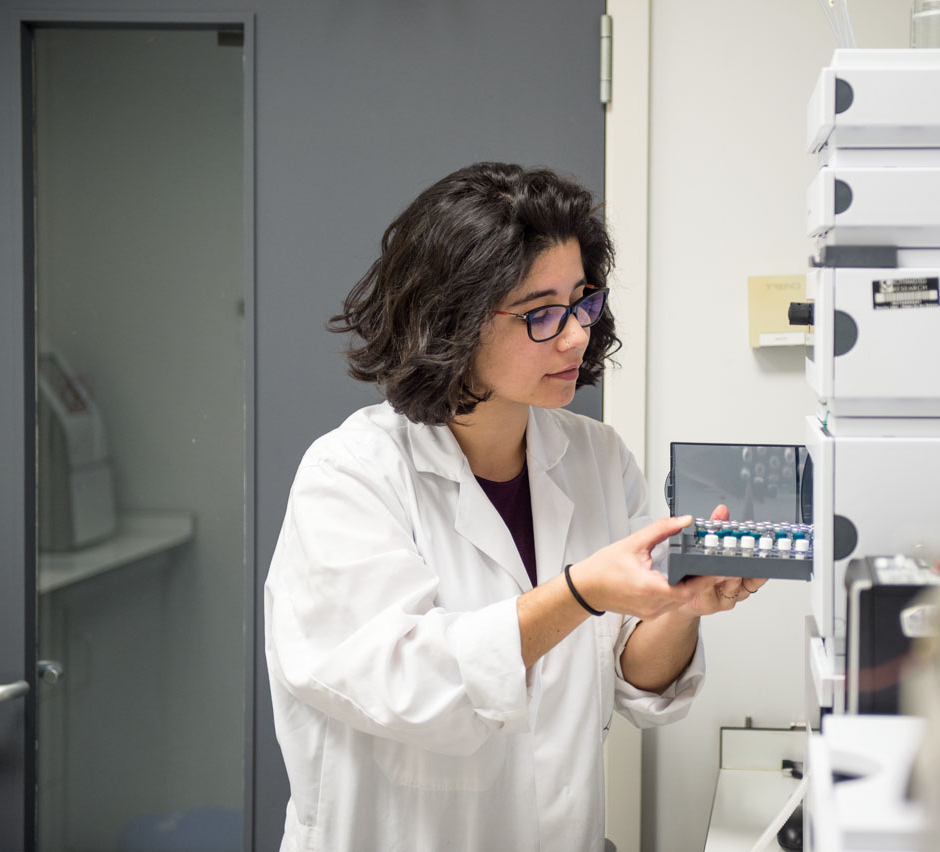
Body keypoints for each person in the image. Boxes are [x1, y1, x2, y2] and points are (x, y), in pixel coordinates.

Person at [264, 162, 765, 851]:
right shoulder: (350, 475)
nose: (576, 335)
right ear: (453, 319)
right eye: (540, 315)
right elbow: (405, 683)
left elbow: (634, 678)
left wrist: (678, 602)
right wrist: (582, 592)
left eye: (581, 300)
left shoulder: (597, 457)